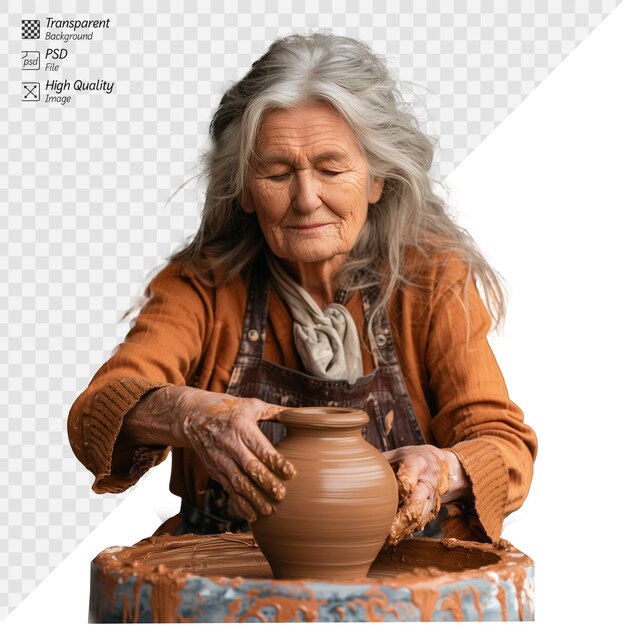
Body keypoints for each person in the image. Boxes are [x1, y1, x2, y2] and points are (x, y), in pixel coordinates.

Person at [68, 32, 537, 545]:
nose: (307, 199)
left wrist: (444, 468)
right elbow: (99, 409)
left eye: (332, 169)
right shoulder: (203, 286)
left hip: (400, 577)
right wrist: (189, 415)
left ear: (378, 179)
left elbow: (502, 444)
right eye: (276, 172)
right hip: (232, 578)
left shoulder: (429, 281)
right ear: (244, 189)